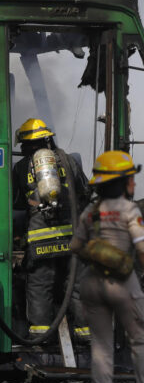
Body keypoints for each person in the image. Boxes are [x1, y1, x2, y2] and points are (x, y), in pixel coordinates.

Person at [70, 150, 144, 383]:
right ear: (122, 182)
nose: (134, 183)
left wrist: (99, 252)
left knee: (101, 346)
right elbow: (142, 250)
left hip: (92, 284)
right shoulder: (129, 210)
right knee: (141, 340)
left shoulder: (90, 212)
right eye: (130, 178)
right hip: (123, 284)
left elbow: (76, 246)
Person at [12, 118, 90, 341]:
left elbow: (16, 203)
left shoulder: (20, 167)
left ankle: (40, 333)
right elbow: (84, 191)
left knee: (39, 285)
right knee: (75, 283)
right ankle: (86, 333)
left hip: (40, 238)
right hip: (72, 237)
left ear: (27, 145)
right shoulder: (68, 160)